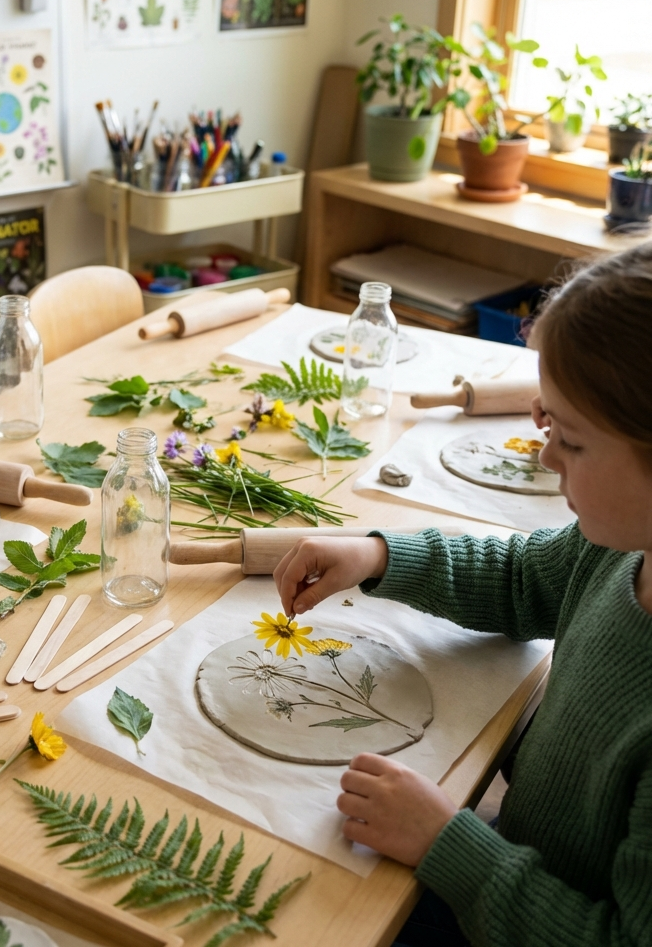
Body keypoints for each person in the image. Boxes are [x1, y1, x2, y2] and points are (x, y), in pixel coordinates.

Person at [274, 247, 652, 947]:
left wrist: (449, 843)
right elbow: (524, 579)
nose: (544, 458)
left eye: (568, 440)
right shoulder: (623, 547)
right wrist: (379, 555)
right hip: (521, 857)